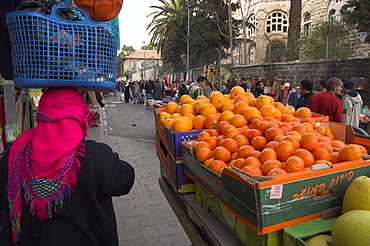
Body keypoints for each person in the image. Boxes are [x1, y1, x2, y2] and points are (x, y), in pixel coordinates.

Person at [0, 87, 135, 245]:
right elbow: (125, 181)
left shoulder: (15, 154)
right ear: (79, 114)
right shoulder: (95, 155)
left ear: (42, 113)